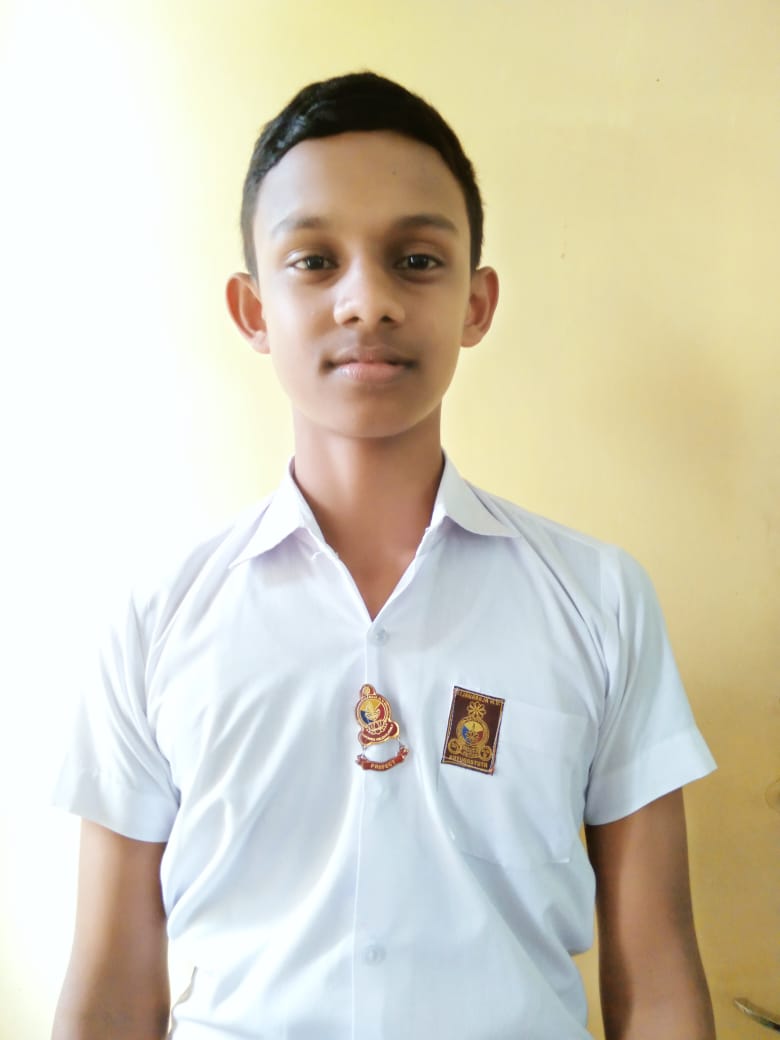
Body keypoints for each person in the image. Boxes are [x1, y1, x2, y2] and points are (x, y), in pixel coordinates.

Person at [51, 72, 717, 1040]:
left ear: (477, 303)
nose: (367, 301)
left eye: (415, 259)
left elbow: (656, 985)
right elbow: (112, 991)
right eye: (314, 260)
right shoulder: (158, 619)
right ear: (252, 309)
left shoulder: (599, 600)